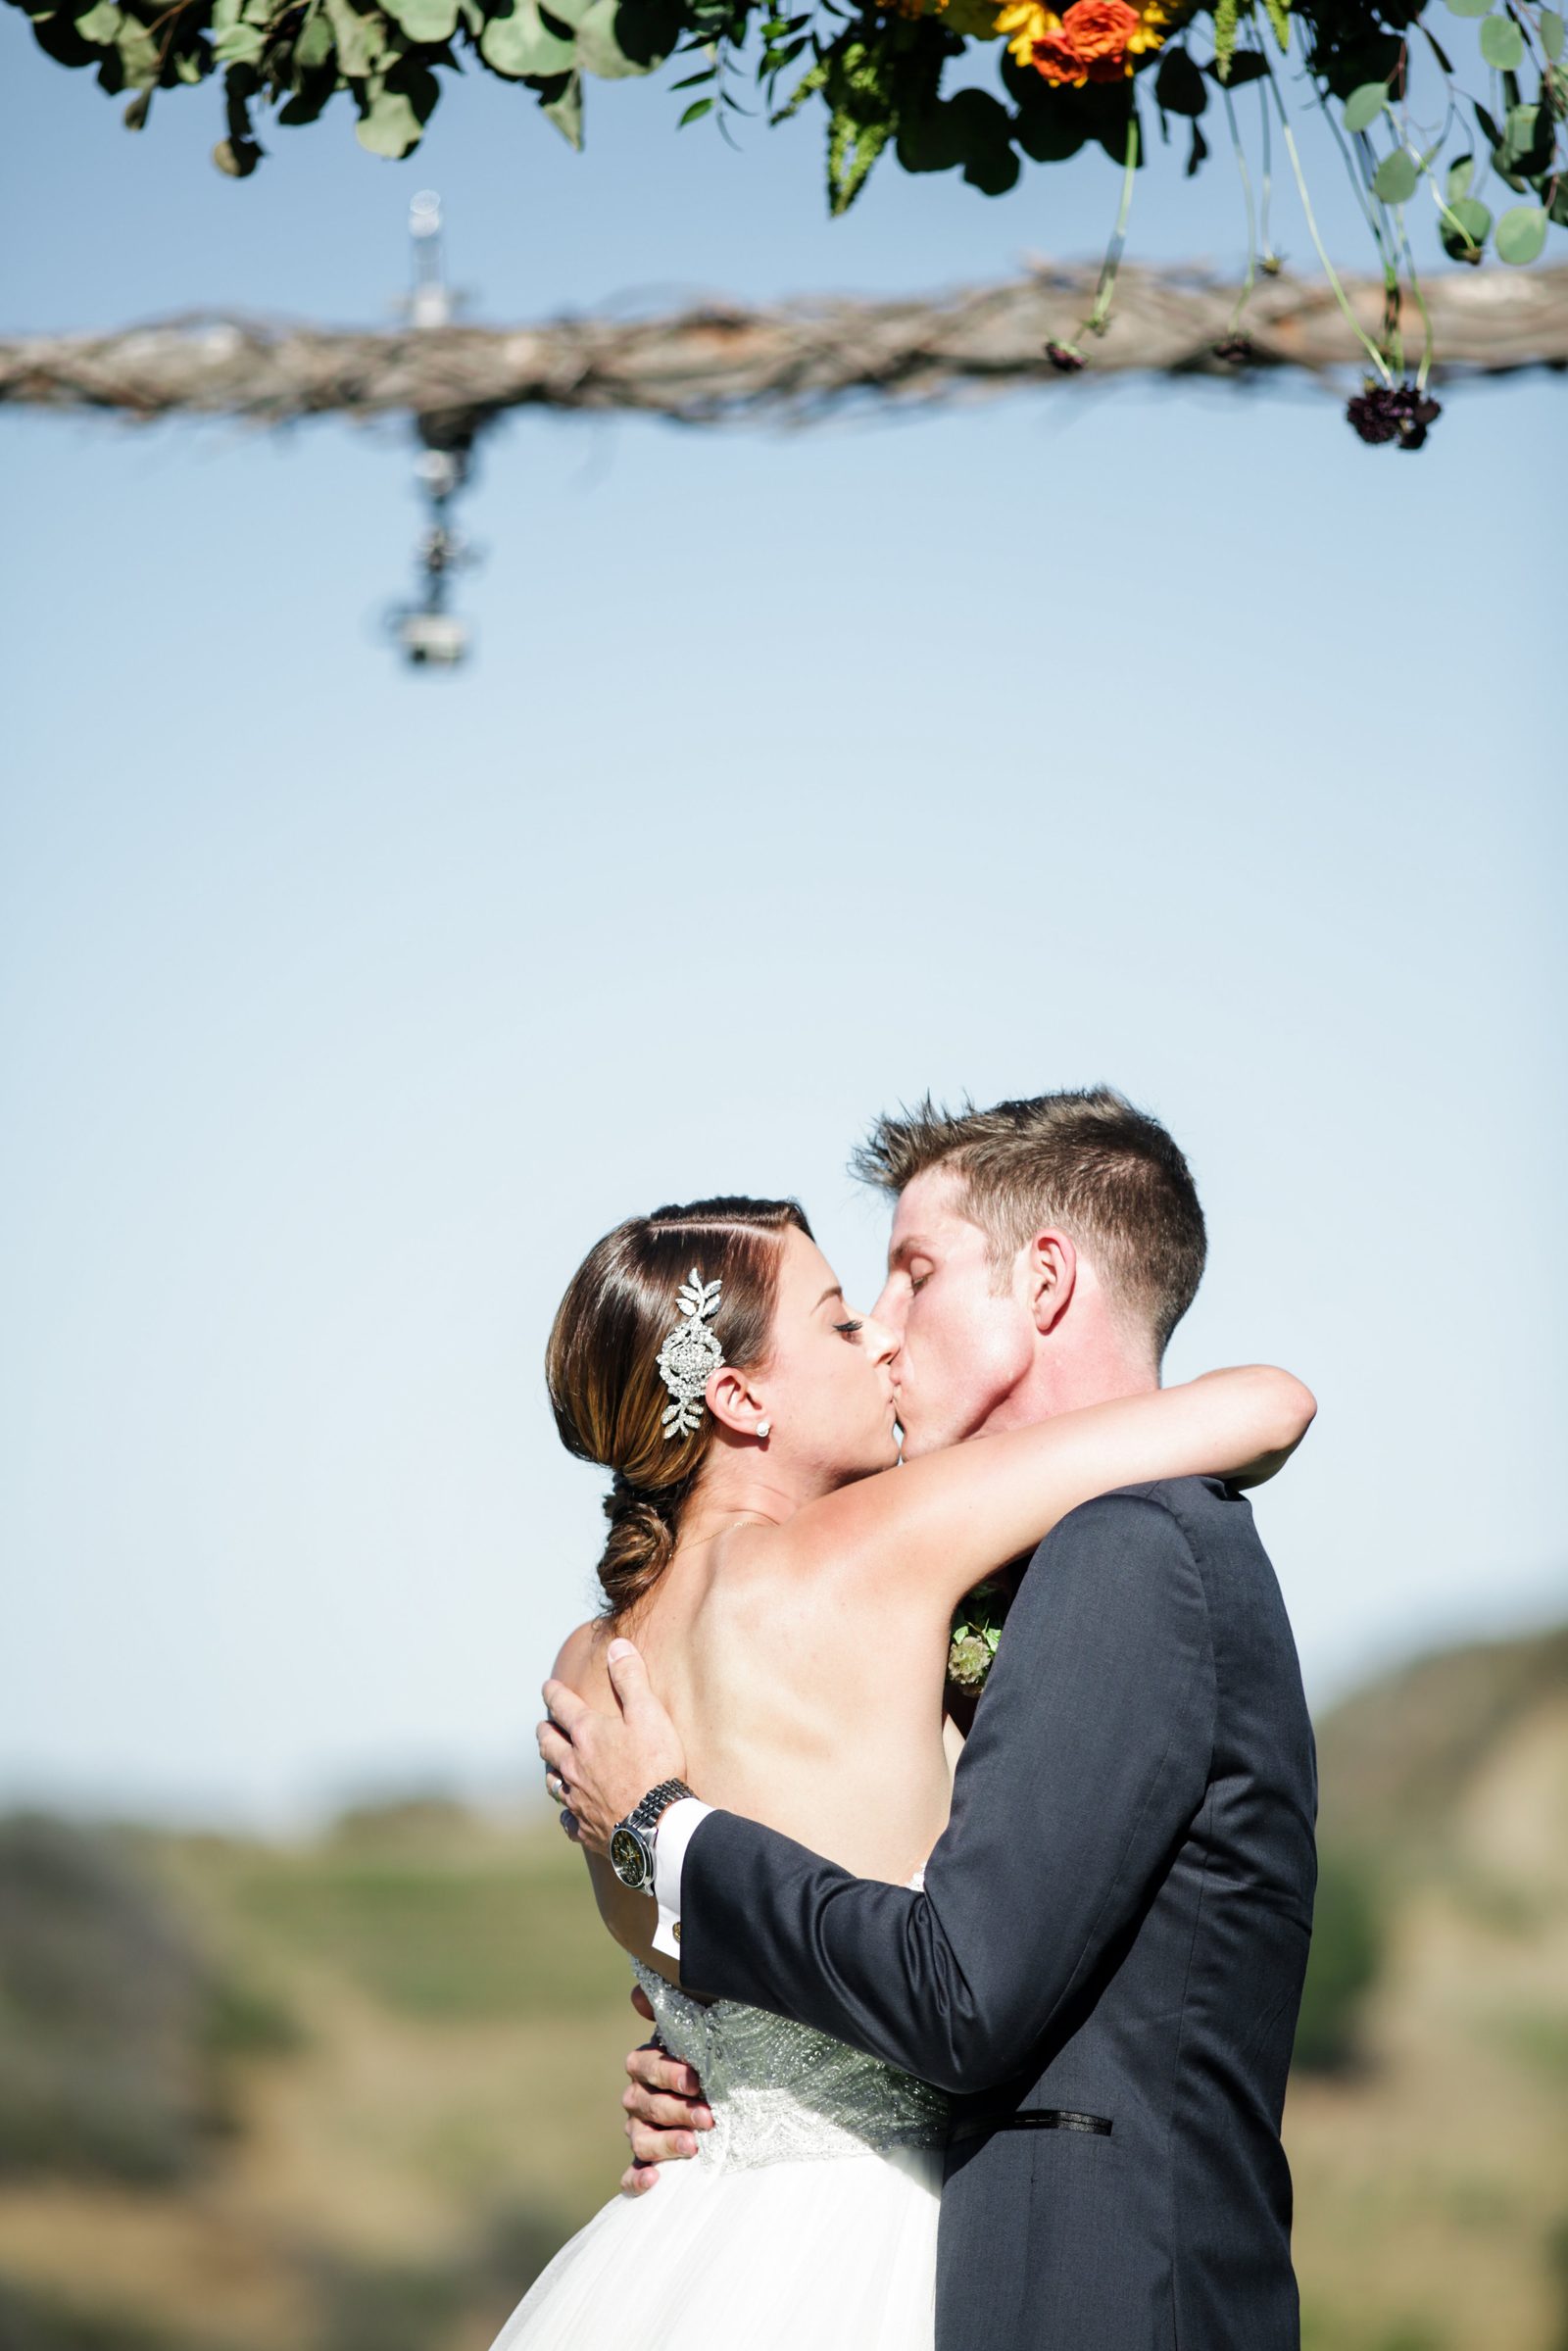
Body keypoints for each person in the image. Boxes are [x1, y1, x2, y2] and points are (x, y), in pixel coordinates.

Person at [515, 1091, 1318, 2351]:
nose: (882, 1338)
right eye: (845, 1317)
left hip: (670, 2247)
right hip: (887, 2250)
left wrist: (694, 2062)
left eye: (903, 1281)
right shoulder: (883, 1544)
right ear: (740, 1398)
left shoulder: (588, 1668)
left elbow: (685, 1983)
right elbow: (1265, 1403)